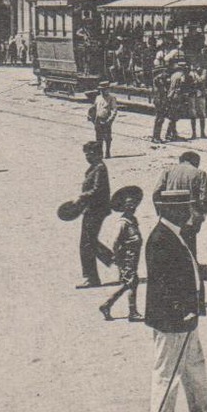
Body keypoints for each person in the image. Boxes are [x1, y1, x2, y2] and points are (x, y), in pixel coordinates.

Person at [143, 196, 207, 412]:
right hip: (172, 317)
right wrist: (180, 310)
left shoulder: (174, 234)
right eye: (184, 208)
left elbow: (183, 268)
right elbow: (163, 282)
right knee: (168, 368)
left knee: (194, 364)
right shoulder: (160, 239)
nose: (189, 211)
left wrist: (204, 272)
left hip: (186, 314)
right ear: (170, 210)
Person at [100, 193, 144, 322]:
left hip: (133, 257)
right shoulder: (122, 223)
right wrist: (118, 259)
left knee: (129, 283)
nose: (132, 207)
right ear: (123, 207)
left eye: (133, 204)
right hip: (126, 258)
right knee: (131, 282)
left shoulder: (133, 220)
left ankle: (107, 305)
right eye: (129, 205)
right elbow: (115, 242)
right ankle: (132, 312)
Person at [75, 141, 113, 289]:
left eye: (89, 154)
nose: (86, 157)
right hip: (93, 209)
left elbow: (98, 189)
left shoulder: (99, 168)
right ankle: (114, 259)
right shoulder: (95, 167)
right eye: (86, 154)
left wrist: (82, 196)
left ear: (97, 154)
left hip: (96, 209)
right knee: (90, 241)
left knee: (86, 243)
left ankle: (92, 277)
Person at [88, 84, 118, 159]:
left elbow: (114, 110)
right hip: (98, 120)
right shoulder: (98, 98)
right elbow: (94, 107)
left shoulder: (111, 98)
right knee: (98, 138)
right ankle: (100, 153)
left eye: (104, 89)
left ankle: (107, 152)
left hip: (106, 120)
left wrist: (110, 120)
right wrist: (90, 115)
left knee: (107, 138)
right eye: (101, 90)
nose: (102, 91)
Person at [188, 66, 207, 139]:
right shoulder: (190, 72)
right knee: (193, 114)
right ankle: (194, 134)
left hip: (200, 94)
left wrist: (195, 73)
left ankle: (202, 133)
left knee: (202, 114)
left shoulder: (203, 70)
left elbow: (201, 80)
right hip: (192, 94)